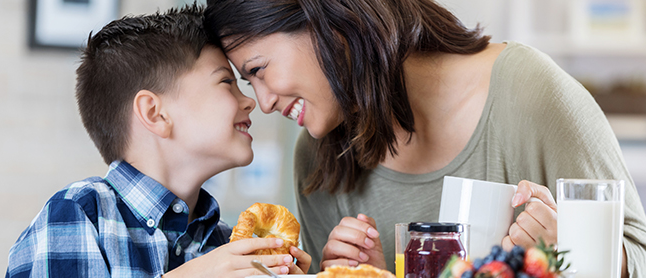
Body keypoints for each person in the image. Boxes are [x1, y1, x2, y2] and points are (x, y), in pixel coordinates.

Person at [204, 0, 646, 276]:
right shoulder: (320, 158)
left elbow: (638, 258)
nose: (262, 102)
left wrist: (569, 252)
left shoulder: (529, 93)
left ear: (327, 20)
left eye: (258, 70)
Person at [5, 6, 310, 278]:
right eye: (226, 83)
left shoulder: (228, 245)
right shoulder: (79, 214)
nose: (250, 102)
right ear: (155, 113)